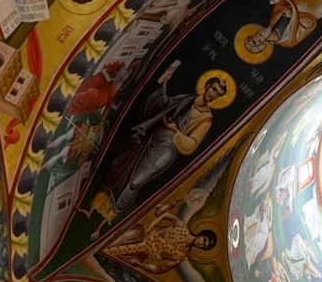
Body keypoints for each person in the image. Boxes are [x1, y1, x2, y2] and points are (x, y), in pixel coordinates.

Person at [98, 61, 228, 215]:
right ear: (207, 86)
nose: (214, 94)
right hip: (150, 138)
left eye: (218, 94)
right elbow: (165, 105)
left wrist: (175, 130)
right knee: (120, 165)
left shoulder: (206, 119)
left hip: (166, 150)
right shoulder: (187, 99)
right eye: (214, 89)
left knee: (136, 180)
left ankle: (114, 212)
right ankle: (101, 204)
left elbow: (191, 145)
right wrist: (163, 85)